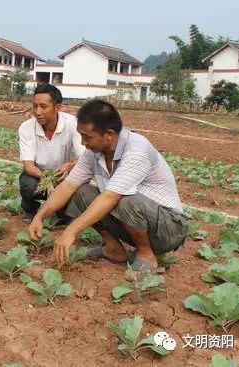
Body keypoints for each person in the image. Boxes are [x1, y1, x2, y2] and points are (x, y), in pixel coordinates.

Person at [28, 99, 187, 275]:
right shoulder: (94, 152)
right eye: (81, 136)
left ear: (109, 135)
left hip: (168, 228)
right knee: (82, 192)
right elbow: (68, 185)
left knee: (126, 200)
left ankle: (146, 255)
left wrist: (71, 231)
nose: (83, 143)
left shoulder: (137, 149)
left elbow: (111, 196)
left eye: (87, 137)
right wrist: (40, 216)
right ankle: (113, 249)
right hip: (137, 220)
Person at [18, 83, 84, 223]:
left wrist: (70, 165)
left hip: (63, 174)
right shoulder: (26, 127)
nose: (37, 112)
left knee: (66, 216)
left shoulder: (73, 124)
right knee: (27, 184)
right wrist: (46, 179)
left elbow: (85, 158)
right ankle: (30, 210)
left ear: (58, 107)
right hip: (38, 173)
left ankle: (63, 212)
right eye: (35, 106)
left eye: (43, 106)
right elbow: (28, 166)